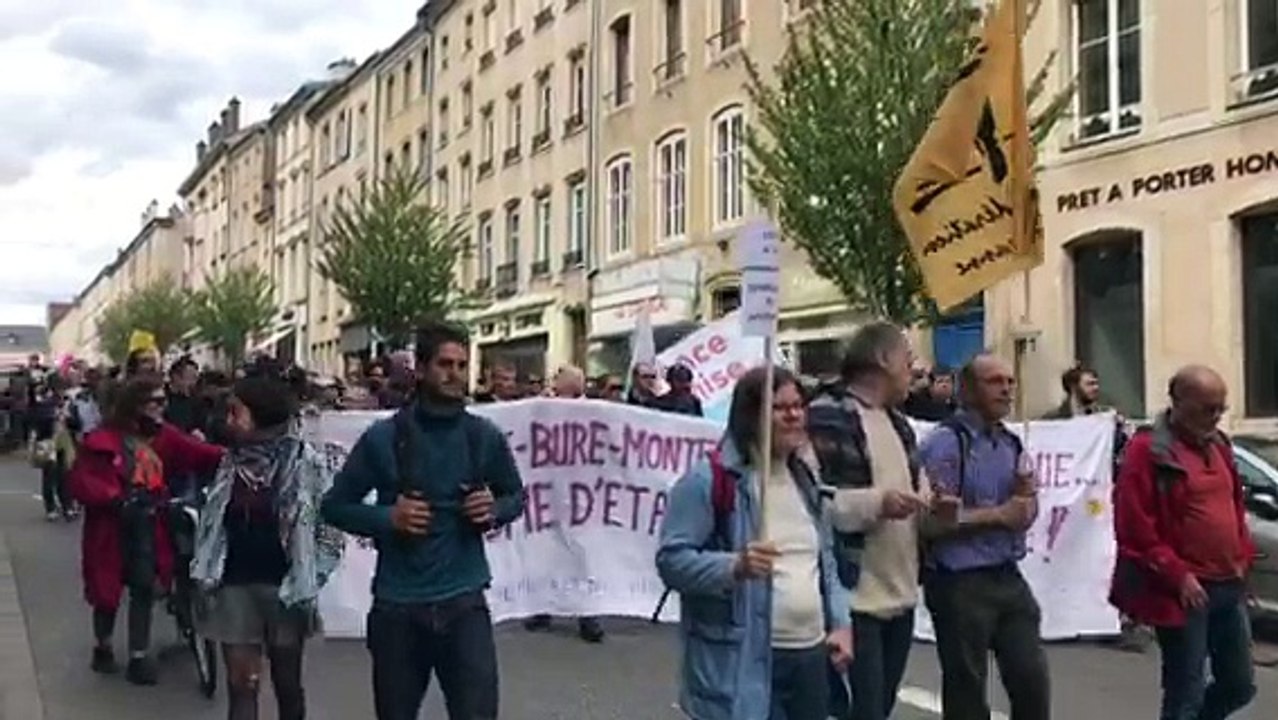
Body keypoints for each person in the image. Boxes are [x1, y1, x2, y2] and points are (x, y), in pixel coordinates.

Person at [321, 321, 525, 720]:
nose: (455, 374)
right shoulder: (383, 438)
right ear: (421, 368)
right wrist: (387, 517)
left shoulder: (483, 436)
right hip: (399, 608)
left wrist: (493, 508)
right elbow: (334, 506)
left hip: (465, 604)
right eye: (445, 364)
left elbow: (516, 496)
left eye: (463, 365)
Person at [657, 365, 852, 720]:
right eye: (780, 408)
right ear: (751, 416)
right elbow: (671, 561)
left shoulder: (805, 477)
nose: (795, 416)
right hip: (748, 660)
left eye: (798, 405)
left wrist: (839, 622)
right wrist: (734, 565)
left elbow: (824, 559)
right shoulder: (709, 480)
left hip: (810, 658)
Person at [191, 374, 344, 720]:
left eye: (236, 413)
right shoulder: (230, 463)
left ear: (261, 414)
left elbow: (332, 529)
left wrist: (312, 576)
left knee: (287, 684)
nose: (228, 421)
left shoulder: (307, 463)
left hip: (286, 590)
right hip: (233, 585)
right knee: (242, 686)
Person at [1110, 365, 1256, 720]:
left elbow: (1234, 508)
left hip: (1227, 584)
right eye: (1208, 408)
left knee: (1239, 684)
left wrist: (1242, 558)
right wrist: (1177, 575)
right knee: (1185, 690)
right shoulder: (1148, 451)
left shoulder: (1220, 446)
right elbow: (1134, 528)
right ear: (1179, 403)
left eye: (1221, 408)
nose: (1217, 416)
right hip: (1185, 592)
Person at [918, 353, 1050, 720]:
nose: (1006, 389)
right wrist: (999, 515)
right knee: (966, 688)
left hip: (1006, 574)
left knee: (1031, 679)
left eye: (1010, 381)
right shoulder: (946, 444)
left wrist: (1026, 505)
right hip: (959, 580)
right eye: (995, 382)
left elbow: (1024, 507)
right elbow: (928, 521)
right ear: (969, 390)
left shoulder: (1009, 443)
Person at [68, 374, 224, 685]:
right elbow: (84, 480)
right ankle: (104, 645)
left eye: (162, 401)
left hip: (149, 522)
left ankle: (139, 655)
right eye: (154, 402)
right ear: (134, 406)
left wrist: (239, 454)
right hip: (111, 527)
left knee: (144, 585)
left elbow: (198, 452)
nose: (160, 408)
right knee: (106, 592)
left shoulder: (164, 436)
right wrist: (114, 498)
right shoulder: (103, 439)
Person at [808, 322, 929, 720]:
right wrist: (878, 503)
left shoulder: (900, 425)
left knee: (879, 707)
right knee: (863, 712)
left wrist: (935, 507)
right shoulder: (828, 416)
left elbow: (919, 494)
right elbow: (811, 506)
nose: (914, 368)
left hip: (900, 597)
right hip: (855, 599)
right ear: (881, 359)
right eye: (907, 359)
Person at [1042, 363, 1146, 653]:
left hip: (1101, 502)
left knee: (1105, 558)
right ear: (1073, 387)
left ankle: (1111, 618)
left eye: (1096, 383)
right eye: (1089, 383)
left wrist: (1121, 432)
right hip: (1067, 505)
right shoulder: (1053, 420)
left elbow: (1120, 454)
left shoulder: (1103, 420)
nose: (1095, 389)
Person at [523, 363, 606, 642]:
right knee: (547, 549)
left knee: (580, 555)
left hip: (581, 495)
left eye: (559, 378)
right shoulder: (547, 407)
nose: (554, 382)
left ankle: (587, 615)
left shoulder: (593, 411)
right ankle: (544, 607)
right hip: (551, 490)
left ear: (572, 384)